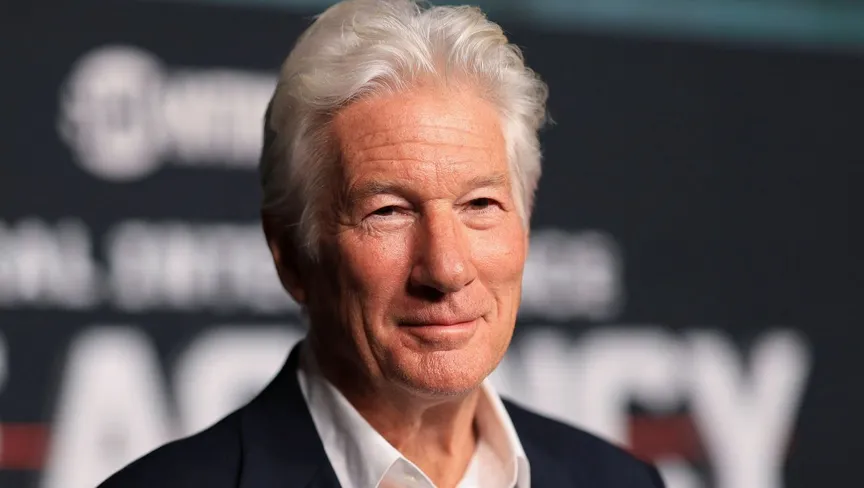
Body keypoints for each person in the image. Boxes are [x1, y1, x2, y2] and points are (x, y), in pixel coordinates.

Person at [99, 0, 665, 487]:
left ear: (524, 225)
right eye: (388, 212)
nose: (445, 268)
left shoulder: (619, 481)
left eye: (479, 205)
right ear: (291, 256)